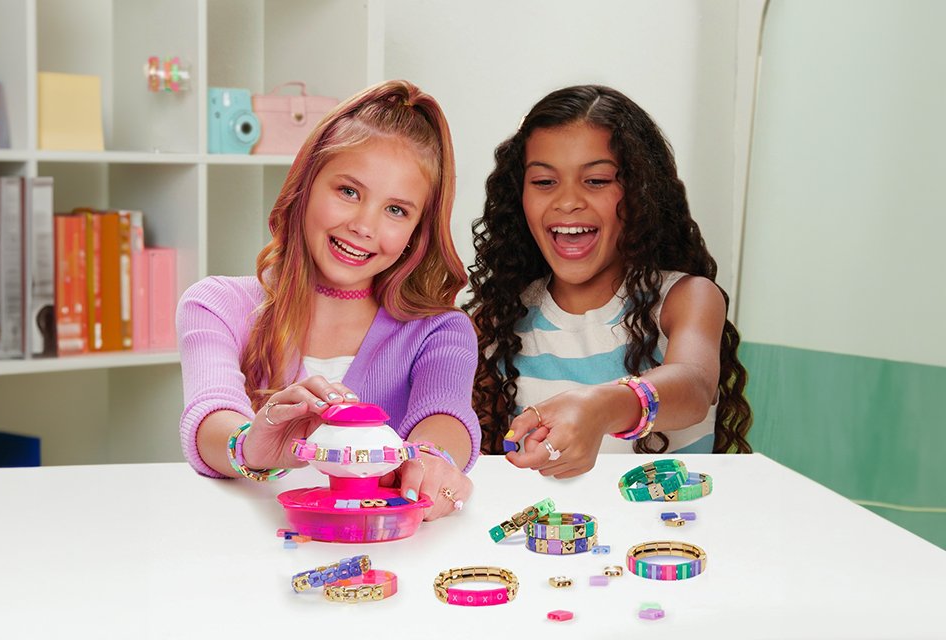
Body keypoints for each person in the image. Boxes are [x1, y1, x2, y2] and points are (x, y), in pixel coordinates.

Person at [178, 80, 478, 519]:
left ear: (418, 231)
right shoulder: (215, 305)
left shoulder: (440, 332)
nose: (364, 225)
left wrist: (429, 460)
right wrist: (251, 442)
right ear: (306, 187)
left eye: (396, 210)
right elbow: (210, 414)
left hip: (389, 558)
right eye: (349, 192)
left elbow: (445, 413)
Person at [465, 84, 752, 479]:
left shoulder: (685, 299)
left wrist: (599, 409)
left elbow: (695, 387)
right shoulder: (497, 319)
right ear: (520, 198)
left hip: (666, 538)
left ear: (639, 193)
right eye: (545, 182)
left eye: (596, 181)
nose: (567, 202)